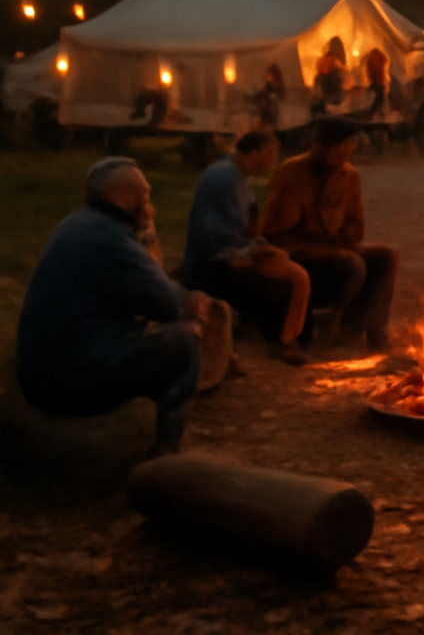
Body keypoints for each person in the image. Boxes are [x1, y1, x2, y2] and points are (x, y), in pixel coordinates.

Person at [15, 158, 210, 455]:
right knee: (184, 340)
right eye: (145, 193)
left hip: (45, 373)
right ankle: (166, 450)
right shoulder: (110, 241)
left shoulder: (80, 222)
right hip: (68, 384)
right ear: (126, 196)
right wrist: (190, 301)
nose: (149, 200)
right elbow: (167, 303)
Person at [260, 117, 398, 351]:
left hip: (334, 247)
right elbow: (274, 229)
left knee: (385, 256)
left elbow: (356, 225)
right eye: (341, 145)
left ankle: (368, 329)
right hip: (298, 252)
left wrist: (341, 237)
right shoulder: (292, 171)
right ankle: (325, 321)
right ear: (322, 146)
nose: (346, 151)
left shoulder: (349, 176)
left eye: (350, 145)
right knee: (353, 264)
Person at [183, 131, 310, 365]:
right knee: (294, 277)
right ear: (254, 153)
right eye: (271, 152)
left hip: (226, 251)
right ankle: (284, 341)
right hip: (212, 262)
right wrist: (251, 251)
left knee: (289, 263)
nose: (275, 158)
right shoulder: (226, 178)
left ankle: (284, 334)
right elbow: (222, 234)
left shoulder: (234, 174)